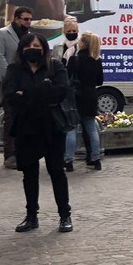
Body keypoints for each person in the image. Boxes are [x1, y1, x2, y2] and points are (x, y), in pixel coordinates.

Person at [4, 32, 73, 234]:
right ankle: (31, 215)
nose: (33, 49)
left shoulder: (55, 67)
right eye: (29, 46)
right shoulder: (14, 69)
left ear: (44, 48)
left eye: (37, 45)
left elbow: (62, 92)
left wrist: (26, 94)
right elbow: (9, 97)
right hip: (27, 127)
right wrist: (42, 90)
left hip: (52, 127)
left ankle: (64, 215)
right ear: (22, 49)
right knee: (29, 173)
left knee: (56, 171)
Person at [0, 7, 32, 169]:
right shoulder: (3, 33)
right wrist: (10, 76)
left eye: (30, 19)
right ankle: (10, 155)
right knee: (10, 119)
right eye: (25, 19)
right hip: (9, 83)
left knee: (25, 119)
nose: (28, 22)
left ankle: (23, 153)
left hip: (26, 82)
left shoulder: (29, 36)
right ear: (16, 19)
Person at [67, 31, 104, 171]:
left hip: (76, 96)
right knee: (91, 128)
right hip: (91, 96)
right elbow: (100, 81)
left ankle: (68, 160)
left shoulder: (74, 59)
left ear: (83, 44)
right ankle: (96, 159)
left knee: (71, 129)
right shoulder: (96, 60)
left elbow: (67, 78)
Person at [54, 17, 82, 172]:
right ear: (64, 32)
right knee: (61, 123)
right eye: (69, 31)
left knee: (70, 125)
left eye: (74, 31)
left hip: (72, 90)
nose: (71, 33)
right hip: (60, 88)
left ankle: (68, 159)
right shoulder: (59, 47)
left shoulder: (80, 48)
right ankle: (62, 156)